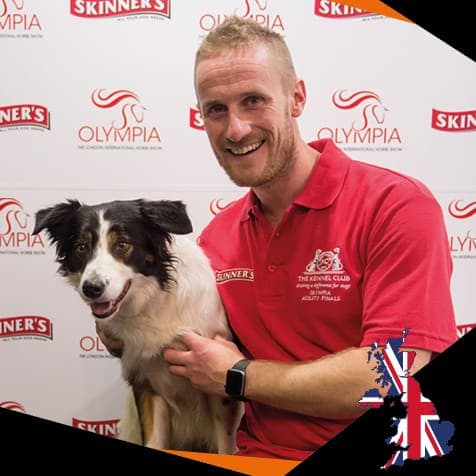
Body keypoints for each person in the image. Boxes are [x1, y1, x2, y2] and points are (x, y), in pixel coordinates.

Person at [98, 16, 457, 461]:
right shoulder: (216, 238)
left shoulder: (395, 205)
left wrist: (238, 376)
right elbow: (180, 345)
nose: (236, 129)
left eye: (253, 101)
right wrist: (121, 324)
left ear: (296, 98)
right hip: (250, 456)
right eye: (216, 109)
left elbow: (392, 373)